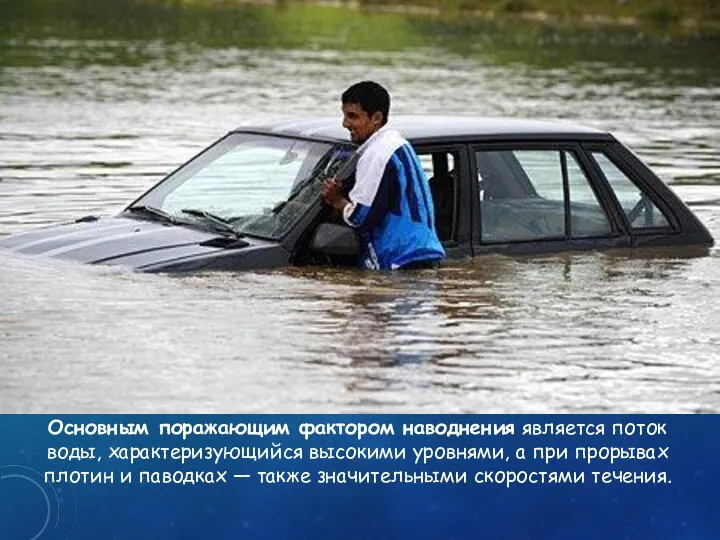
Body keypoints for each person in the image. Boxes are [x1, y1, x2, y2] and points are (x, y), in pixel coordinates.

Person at [321, 81, 445, 270]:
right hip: (420, 256)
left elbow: (360, 218)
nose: (345, 124)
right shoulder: (397, 145)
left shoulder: (377, 154)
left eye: (352, 116)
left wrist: (337, 200)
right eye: (344, 115)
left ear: (376, 118)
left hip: (400, 261)